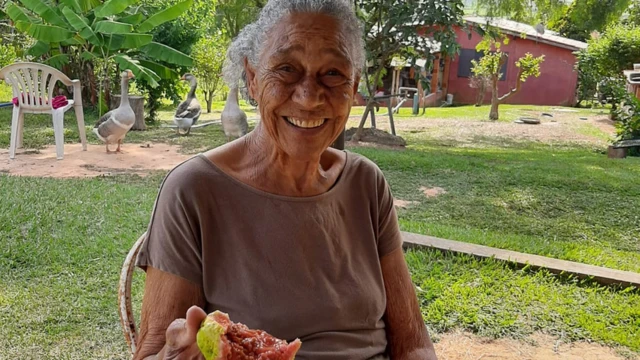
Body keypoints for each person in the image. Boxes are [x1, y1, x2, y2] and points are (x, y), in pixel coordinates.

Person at [133, 0, 438, 359]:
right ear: (252, 78)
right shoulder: (193, 191)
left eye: (333, 74)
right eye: (286, 69)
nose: (309, 98)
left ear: (353, 85)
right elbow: (154, 350)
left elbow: (414, 342)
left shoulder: (366, 183)